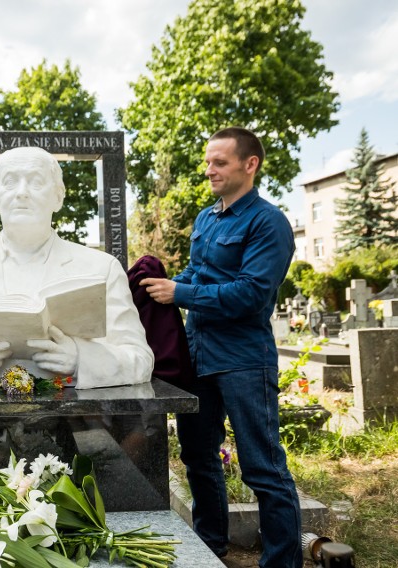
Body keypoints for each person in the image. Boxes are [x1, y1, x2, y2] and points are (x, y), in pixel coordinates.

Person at [141, 127, 301, 567]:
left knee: (263, 470)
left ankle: (282, 562)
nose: (209, 170)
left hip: (243, 361)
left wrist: (182, 294)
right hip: (198, 356)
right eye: (208, 161)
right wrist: (157, 285)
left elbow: (251, 293)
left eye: (220, 163)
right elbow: (197, 272)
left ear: (250, 165)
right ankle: (210, 549)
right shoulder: (207, 218)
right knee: (198, 458)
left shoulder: (269, 222)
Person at [0, 146, 154, 389]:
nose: (22, 193)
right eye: (10, 182)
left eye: (36, 182)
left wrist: (82, 359)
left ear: (58, 196)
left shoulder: (102, 268)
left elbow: (140, 360)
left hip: (77, 419)